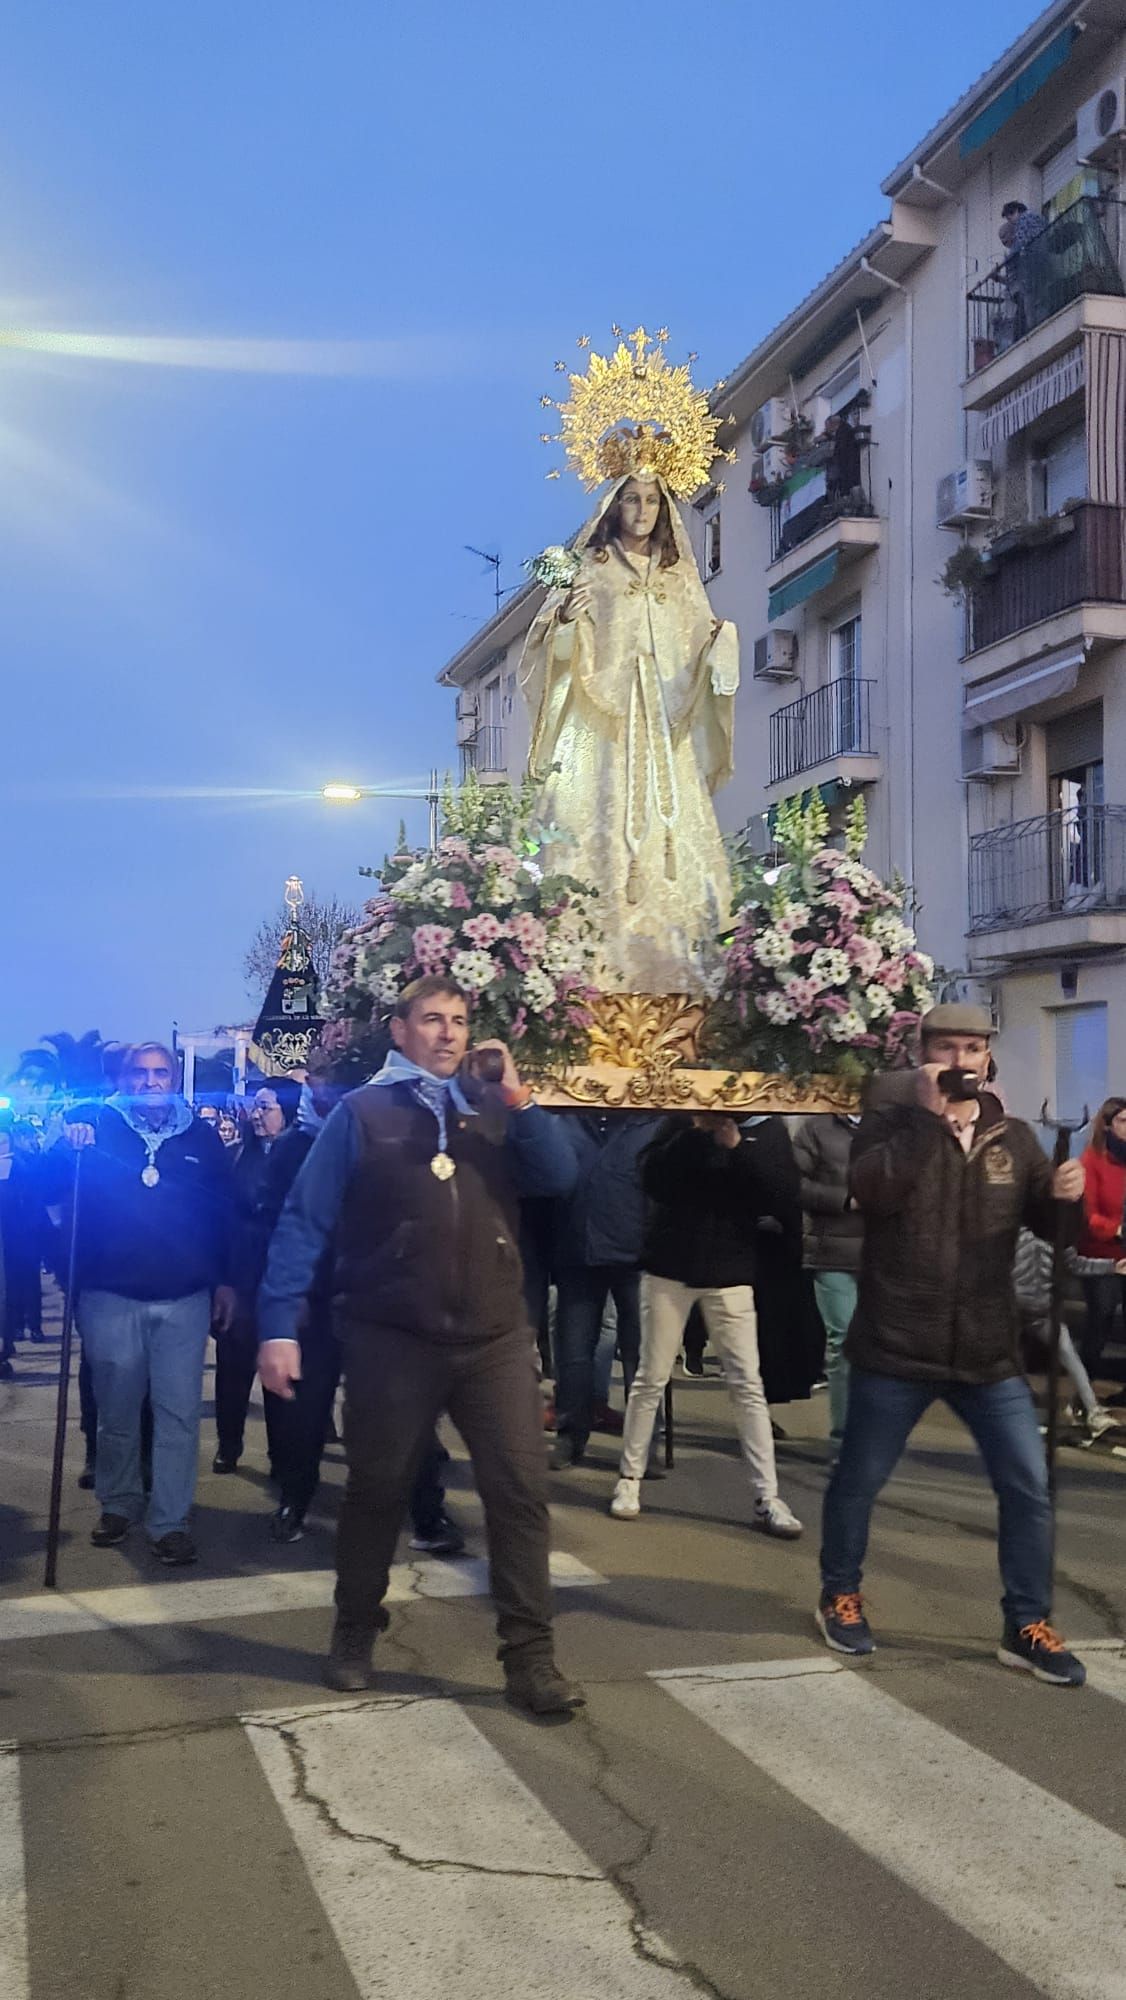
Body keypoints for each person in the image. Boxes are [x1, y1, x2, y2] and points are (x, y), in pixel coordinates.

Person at [257, 976, 583, 1713]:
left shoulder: (498, 1113)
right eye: (431, 1020)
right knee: (376, 1490)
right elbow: (304, 1221)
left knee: (521, 1494)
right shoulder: (364, 1114)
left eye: (459, 1022)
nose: (447, 1033)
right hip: (390, 1338)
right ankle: (354, 1628)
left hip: (495, 1338)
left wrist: (520, 1098)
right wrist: (279, 1325)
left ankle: (530, 1659)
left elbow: (561, 1177)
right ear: (399, 1031)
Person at [817, 1002, 1088, 1686]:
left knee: (1028, 1486)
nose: (961, 1061)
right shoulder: (887, 1125)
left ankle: (1025, 1622)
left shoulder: (1014, 1138)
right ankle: (839, 1593)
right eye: (948, 1048)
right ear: (922, 1055)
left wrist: (1065, 1198)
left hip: (986, 1350)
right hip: (896, 1343)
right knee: (859, 1480)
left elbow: (1057, 1235)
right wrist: (928, 1123)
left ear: (988, 1058)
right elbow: (872, 1193)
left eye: (973, 1048)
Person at [520, 469, 739, 994]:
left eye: (651, 501)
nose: (642, 511)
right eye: (631, 500)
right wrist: (567, 624)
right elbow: (549, 652)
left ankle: (678, 973)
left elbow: (696, 646)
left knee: (677, 850)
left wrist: (719, 645)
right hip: (601, 730)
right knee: (595, 833)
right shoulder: (590, 570)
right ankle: (587, 971)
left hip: (664, 731)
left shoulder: (677, 579)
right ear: (613, 507)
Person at [257, 1051, 466, 1553]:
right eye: (319, 1077)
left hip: (380, 1297)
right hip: (318, 1298)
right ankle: (295, 1499)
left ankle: (427, 1511)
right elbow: (281, 1226)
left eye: (336, 1077)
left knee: (407, 1410)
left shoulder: (382, 1129)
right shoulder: (293, 1147)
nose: (325, 1088)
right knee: (305, 1413)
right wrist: (289, 1300)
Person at [57, 1042, 236, 1565]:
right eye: (141, 1072)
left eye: (161, 1072)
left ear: (174, 1077)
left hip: (184, 1298)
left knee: (178, 1413)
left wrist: (226, 1280)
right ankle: (119, 1502)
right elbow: (49, 1188)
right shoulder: (94, 1127)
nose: (150, 1081)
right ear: (126, 1077)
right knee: (116, 1410)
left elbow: (225, 1215)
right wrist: (67, 1149)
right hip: (110, 1296)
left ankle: (170, 1521)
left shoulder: (201, 1136)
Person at [609, 1113, 803, 1536]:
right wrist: (694, 1137)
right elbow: (651, 1177)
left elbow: (781, 1194)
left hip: (731, 1267)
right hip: (670, 1264)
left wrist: (736, 1147)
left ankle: (767, 1495)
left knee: (748, 1385)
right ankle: (629, 1479)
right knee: (651, 1376)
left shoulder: (766, 1128)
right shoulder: (681, 1119)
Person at [549, 1111, 662, 1469]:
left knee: (642, 1354)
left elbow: (664, 1189)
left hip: (637, 1254)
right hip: (576, 1249)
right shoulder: (564, 1118)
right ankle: (571, 1434)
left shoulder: (654, 1122)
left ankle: (645, 1441)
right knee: (574, 1352)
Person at [212, 1081, 300, 1474]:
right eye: (256, 1107)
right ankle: (228, 1445)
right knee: (232, 1370)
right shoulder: (234, 1157)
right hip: (240, 1276)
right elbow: (219, 1220)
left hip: (281, 1281)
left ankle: (282, 1457)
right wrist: (221, 1280)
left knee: (279, 1378)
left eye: (268, 1107)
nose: (259, 1115)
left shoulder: (301, 1156)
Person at [793, 1112, 863, 1445]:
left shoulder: (893, 1122)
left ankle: (874, 1435)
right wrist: (844, 1200)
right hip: (833, 1249)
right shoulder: (817, 1128)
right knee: (844, 1342)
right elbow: (794, 1182)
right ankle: (846, 1438)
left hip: (884, 1253)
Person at [1075, 1097, 1126, 1383]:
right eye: (1123, 1121)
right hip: (1100, 1253)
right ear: (1107, 1126)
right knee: (1102, 1316)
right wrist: (1118, 1230)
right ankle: (1085, 1389)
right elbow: (1088, 1217)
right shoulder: (1091, 1160)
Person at [998, 200, 1049, 342]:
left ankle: (1033, 333)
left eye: (1010, 218)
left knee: (1030, 304)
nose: (1012, 222)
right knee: (1039, 298)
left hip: (1032, 266)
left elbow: (1021, 244)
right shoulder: (1037, 218)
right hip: (1042, 262)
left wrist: (1008, 259)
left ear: (1015, 211)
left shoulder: (1024, 220)